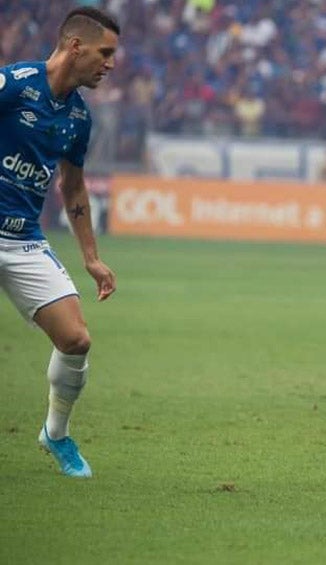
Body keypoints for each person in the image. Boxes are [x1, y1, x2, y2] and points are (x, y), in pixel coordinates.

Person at [0, 7, 119, 477]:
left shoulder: (77, 118)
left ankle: (55, 433)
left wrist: (91, 257)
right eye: (104, 53)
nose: (109, 64)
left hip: (23, 240)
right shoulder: (14, 83)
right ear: (75, 46)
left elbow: (72, 188)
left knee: (76, 339)